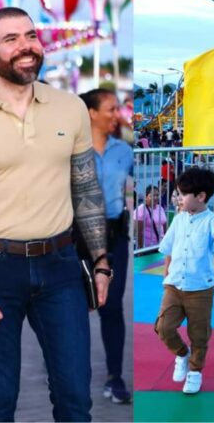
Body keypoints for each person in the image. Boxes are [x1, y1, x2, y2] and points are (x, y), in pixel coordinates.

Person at [0, 7, 111, 421]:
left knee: (75, 396)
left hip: (61, 266)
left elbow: (86, 188)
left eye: (30, 36)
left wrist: (101, 262)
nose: (26, 46)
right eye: (11, 39)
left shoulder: (70, 108)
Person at [156, 167, 214, 395]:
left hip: (200, 288)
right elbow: (169, 248)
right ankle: (182, 354)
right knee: (163, 327)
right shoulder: (178, 220)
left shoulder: (211, 221)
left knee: (199, 334)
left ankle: (195, 371)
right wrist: (167, 274)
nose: (178, 198)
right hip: (174, 284)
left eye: (182, 194)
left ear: (200, 196)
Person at [80, 88, 133, 404]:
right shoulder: (70, 151)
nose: (117, 115)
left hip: (115, 236)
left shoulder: (123, 152)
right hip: (77, 238)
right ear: (91, 113)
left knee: (112, 306)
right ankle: (69, 368)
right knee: (74, 307)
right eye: (111, 109)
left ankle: (115, 377)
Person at [135, 184, 167, 249]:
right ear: (146, 197)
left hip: (160, 245)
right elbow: (138, 233)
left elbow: (165, 227)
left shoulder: (160, 208)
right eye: (152, 195)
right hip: (147, 247)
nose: (155, 197)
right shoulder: (141, 209)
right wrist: (141, 249)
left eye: (157, 195)